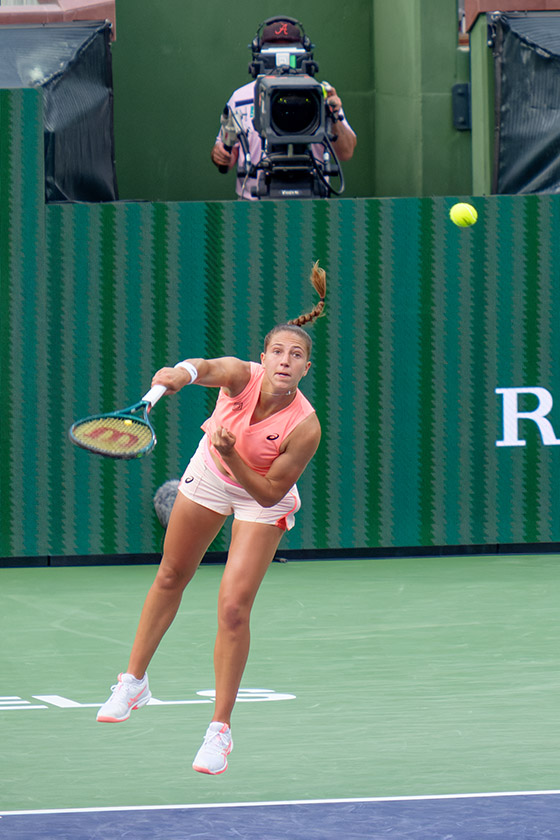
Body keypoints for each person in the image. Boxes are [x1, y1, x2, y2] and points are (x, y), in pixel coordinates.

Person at [96, 262, 326, 776]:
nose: (286, 361)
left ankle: (218, 731)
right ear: (263, 359)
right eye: (278, 352)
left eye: (297, 355)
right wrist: (181, 374)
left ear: (306, 368)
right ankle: (132, 682)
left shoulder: (305, 427)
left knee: (233, 609)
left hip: (259, 495)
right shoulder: (242, 376)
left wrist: (234, 452)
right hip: (210, 473)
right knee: (172, 574)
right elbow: (204, 366)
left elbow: (268, 494)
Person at [211, 17, 357, 199]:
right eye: (273, 50)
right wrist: (220, 153)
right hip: (255, 203)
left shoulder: (320, 94)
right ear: (259, 53)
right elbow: (227, 156)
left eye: (290, 50)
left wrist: (333, 117)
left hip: (313, 200)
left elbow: (346, 152)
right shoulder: (240, 99)